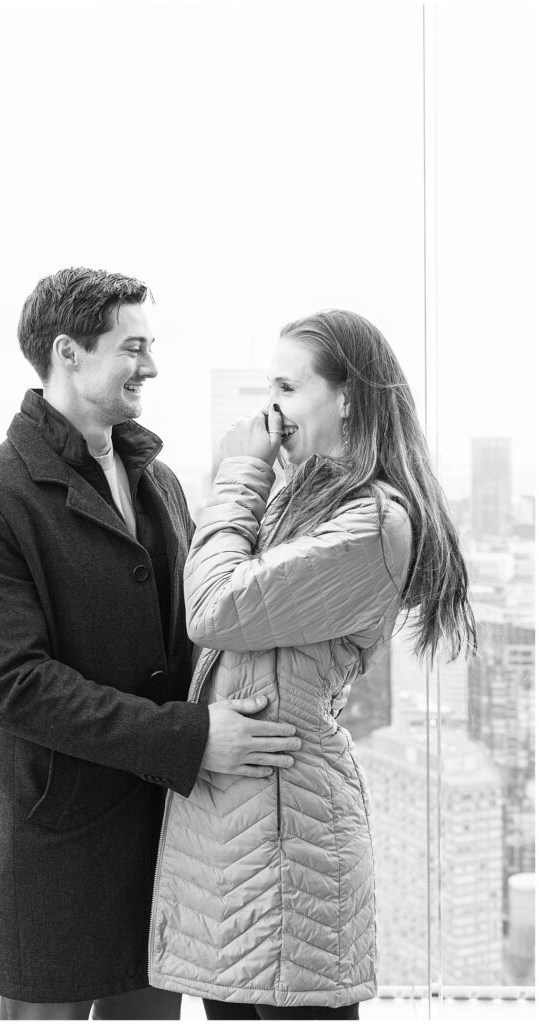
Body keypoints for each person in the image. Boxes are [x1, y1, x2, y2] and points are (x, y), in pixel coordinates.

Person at [0, 267, 300, 1021]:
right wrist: (192, 737)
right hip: (55, 849)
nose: (152, 366)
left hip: (161, 840)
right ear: (68, 353)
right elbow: (16, 686)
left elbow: (200, 622)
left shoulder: (157, 479)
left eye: (151, 345)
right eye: (132, 347)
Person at [149, 309, 477, 1019]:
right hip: (241, 842)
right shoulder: (310, 504)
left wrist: (240, 471)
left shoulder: (372, 524)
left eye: (288, 387)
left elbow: (212, 607)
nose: (270, 410)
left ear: (349, 398)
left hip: (290, 849)